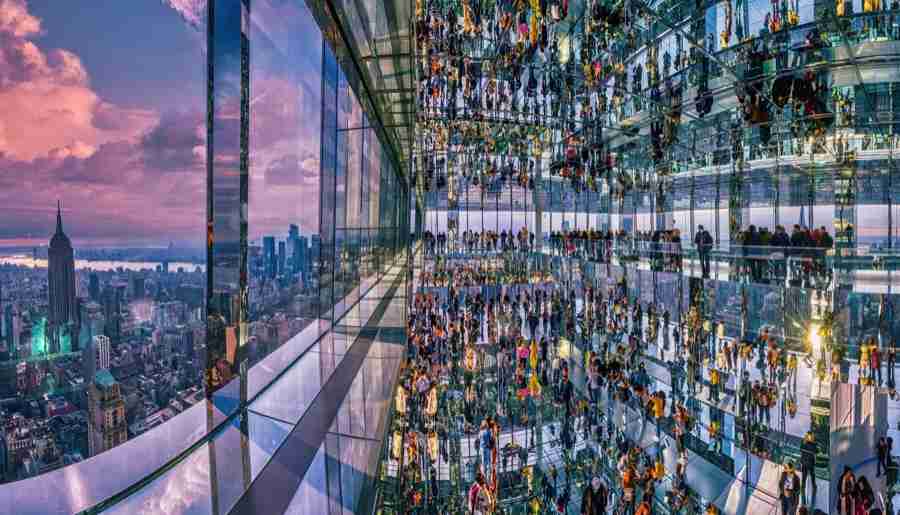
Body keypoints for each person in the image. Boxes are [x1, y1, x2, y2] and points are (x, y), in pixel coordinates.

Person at [800, 431, 818, 505]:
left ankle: (811, 486)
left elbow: (815, 451)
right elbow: (815, 451)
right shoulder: (807, 443)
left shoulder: (807, 443)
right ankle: (810, 486)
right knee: (808, 475)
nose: (811, 437)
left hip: (808, 462)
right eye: (810, 436)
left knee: (810, 475)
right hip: (807, 462)